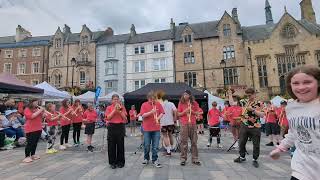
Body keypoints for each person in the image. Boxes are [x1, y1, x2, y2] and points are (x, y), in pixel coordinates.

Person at [270, 66, 320, 180]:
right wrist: (280, 148)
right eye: (296, 83)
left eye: (307, 82)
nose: (301, 87)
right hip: (301, 170)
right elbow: (294, 132)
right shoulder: (291, 107)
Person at [231, 88, 265, 168]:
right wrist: (230, 93)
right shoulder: (244, 102)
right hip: (244, 125)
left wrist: (253, 110)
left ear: (254, 94)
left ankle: (255, 159)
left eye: (250, 95)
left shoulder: (259, 103)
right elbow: (232, 103)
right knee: (241, 142)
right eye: (247, 95)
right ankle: (242, 157)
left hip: (255, 126)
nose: (248, 97)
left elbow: (262, 115)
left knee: (256, 144)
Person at [140, 91, 164, 168]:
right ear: (148, 98)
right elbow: (143, 115)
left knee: (155, 146)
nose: (152, 101)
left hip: (156, 128)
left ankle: (155, 159)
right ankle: (146, 158)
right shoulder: (144, 104)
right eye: (150, 99)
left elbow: (162, 113)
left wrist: (158, 118)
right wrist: (151, 112)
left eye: (153, 99)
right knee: (146, 145)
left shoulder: (158, 104)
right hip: (147, 128)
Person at [178, 90, 201, 166]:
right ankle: (183, 158)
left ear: (190, 95)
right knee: (184, 142)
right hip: (184, 124)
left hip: (193, 124)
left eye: (186, 94)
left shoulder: (194, 103)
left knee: (194, 142)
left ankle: (195, 158)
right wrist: (185, 111)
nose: (185, 95)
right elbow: (178, 114)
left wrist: (192, 111)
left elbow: (198, 112)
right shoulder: (181, 103)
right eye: (184, 94)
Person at [105, 94, 127, 169]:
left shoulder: (122, 107)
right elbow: (108, 118)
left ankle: (120, 162)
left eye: (117, 99)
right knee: (111, 145)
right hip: (111, 127)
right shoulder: (109, 108)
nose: (116, 100)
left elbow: (125, 119)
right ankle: (112, 162)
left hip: (120, 126)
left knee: (120, 145)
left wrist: (120, 111)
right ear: (112, 100)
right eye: (114, 99)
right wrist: (114, 110)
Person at [23, 99, 44, 163]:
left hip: (38, 128)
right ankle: (27, 156)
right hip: (30, 128)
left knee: (35, 143)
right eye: (35, 102)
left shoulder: (37, 109)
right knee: (30, 143)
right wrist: (40, 110)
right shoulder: (27, 109)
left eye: (37, 102)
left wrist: (43, 111)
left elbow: (42, 117)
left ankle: (33, 154)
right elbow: (31, 116)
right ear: (31, 103)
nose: (36, 103)